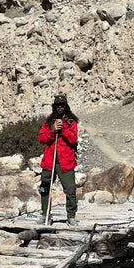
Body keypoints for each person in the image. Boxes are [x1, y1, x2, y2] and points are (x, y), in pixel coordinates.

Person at [37, 94, 79, 226]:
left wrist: (64, 128)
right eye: (57, 105)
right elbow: (41, 139)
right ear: (54, 107)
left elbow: (73, 139)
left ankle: (71, 216)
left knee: (70, 189)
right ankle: (45, 214)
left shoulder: (71, 122)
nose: (60, 107)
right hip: (50, 160)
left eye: (62, 105)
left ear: (66, 106)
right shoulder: (48, 122)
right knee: (45, 187)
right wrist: (53, 130)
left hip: (66, 161)